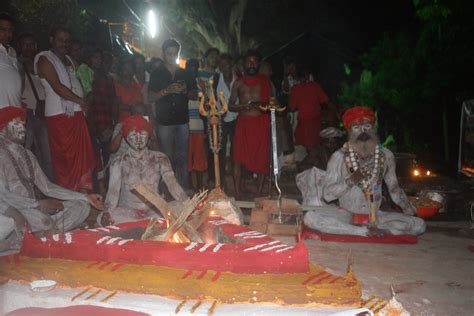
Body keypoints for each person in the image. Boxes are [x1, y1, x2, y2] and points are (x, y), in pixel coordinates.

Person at [304, 106, 425, 237]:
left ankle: (379, 230)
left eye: (367, 125)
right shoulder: (339, 157)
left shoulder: (385, 156)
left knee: (419, 224)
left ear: (373, 128)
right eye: (356, 127)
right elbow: (327, 195)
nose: (363, 131)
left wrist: (408, 208)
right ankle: (363, 232)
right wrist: (352, 180)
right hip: (346, 214)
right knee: (310, 218)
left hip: (375, 216)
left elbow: (394, 189)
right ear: (349, 131)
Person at [0, 106, 104, 253]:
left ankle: (38, 235)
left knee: (82, 207)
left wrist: (86, 197)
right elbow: (2, 196)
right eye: (16, 124)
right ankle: (39, 234)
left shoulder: (28, 155)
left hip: (35, 213)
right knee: (43, 221)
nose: (22, 129)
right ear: (3, 127)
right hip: (13, 212)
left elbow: (47, 187)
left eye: (23, 124)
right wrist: (37, 204)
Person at [35, 26, 96, 192]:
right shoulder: (44, 59)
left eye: (67, 41)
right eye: (60, 40)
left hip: (76, 113)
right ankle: (69, 198)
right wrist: (81, 101)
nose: (64, 44)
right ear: (51, 40)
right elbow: (56, 86)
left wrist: (84, 101)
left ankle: (84, 196)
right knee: (65, 160)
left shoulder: (69, 60)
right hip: (59, 115)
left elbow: (79, 83)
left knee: (82, 158)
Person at [103, 115, 188, 225]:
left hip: (155, 210)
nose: (138, 138)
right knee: (108, 216)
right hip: (129, 212)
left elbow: (173, 185)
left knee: (179, 207)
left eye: (143, 134)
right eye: (133, 134)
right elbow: (112, 193)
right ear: (126, 137)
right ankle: (149, 224)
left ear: (148, 135)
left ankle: (142, 225)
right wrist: (107, 211)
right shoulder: (118, 162)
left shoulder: (160, 158)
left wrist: (187, 203)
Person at [148, 39, 191, 191]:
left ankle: (184, 188)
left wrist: (185, 91)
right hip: (164, 122)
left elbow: (194, 94)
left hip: (182, 120)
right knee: (166, 157)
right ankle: (167, 189)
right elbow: (150, 97)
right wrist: (167, 90)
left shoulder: (185, 72)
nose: (172, 57)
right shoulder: (157, 73)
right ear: (163, 54)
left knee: (183, 156)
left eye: (175, 54)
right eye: (169, 54)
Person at [229, 50, 272, 199]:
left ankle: (259, 193)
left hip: (261, 124)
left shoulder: (265, 82)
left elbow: (273, 103)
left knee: (262, 159)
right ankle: (237, 193)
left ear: (258, 64)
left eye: (255, 61)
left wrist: (261, 104)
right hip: (243, 124)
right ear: (244, 64)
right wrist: (242, 107)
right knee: (237, 158)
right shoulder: (238, 83)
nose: (252, 64)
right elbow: (230, 105)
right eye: (249, 61)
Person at [18, 33, 54, 182]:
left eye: (31, 44)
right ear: (20, 46)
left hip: (42, 113)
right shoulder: (15, 63)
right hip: (25, 115)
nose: (29, 48)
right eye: (25, 44)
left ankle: (49, 186)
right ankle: (26, 187)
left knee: (46, 153)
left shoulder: (41, 63)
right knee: (23, 152)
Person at [289, 66, 331, 151]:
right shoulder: (315, 86)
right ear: (308, 76)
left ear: (298, 77)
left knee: (310, 148)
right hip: (316, 121)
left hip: (305, 123)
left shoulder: (295, 89)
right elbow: (326, 101)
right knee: (316, 145)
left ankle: (314, 160)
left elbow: (292, 108)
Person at [212, 53, 238, 189]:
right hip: (221, 120)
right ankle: (220, 183)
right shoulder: (215, 79)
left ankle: (238, 181)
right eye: (222, 66)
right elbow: (211, 100)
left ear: (231, 64)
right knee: (220, 152)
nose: (225, 68)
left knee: (237, 151)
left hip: (237, 119)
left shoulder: (239, 78)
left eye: (227, 64)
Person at [185, 58, 208, 191]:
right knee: (188, 157)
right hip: (186, 126)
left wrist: (206, 128)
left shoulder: (202, 84)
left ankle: (199, 185)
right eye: (190, 68)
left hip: (199, 126)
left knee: (199, 157)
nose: (193, 70)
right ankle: (189, 185)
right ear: (187, 68)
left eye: (195, 68)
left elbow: (206, 105)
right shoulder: (182, 83)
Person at [0, 13, 22, 109]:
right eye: (3, 30)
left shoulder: (12, 51)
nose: (7, 34)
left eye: (10, 30)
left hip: (15, 107)